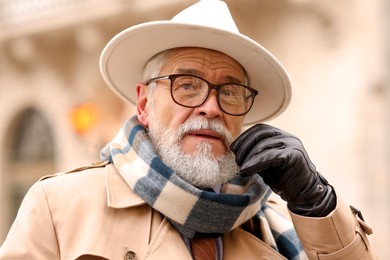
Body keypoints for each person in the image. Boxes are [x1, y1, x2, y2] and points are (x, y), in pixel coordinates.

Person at [0, 0, 378, 259]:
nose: (210, 107)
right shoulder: (58, 207)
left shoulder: (277, 223)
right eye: (186, 85)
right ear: (145, 105)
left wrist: (315, 203)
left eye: (230, 91)